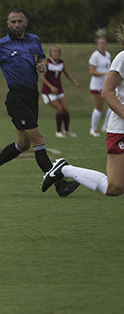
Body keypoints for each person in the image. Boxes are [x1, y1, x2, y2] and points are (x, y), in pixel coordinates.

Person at [0, 7, 78, 197]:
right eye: (12, 22)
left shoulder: (34, 41)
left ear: (26, 22)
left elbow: (41, 62)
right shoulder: (1, 45)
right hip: (16, 99)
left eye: (19, 21)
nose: (16, 25)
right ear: (8, 24)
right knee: (38, 139)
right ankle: (60, 185)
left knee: (23, 144)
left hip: (32, 96)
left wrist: (42, 65)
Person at [42, 23, 124, 196]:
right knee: (114, 187)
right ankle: (65, 169)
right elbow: (107, 92)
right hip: (121, 129)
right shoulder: (122, 58)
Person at [39, 44, 81, 138]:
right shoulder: (47, 62)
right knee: (60, 109)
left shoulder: (61, 62)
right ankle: (58, 131)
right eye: (54, 51)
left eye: (58, 51)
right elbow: (42, 77)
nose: (56, 53)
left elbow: (66, 73)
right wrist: (51, 87)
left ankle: (67, 130)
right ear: (50, 53)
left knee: (66, 110)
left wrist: (75, 83)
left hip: (59, 90)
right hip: (48, 91)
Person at [88, 35, 112, 137]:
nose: (102, 45)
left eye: (103, 43)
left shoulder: (108, 55)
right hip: (96, 85)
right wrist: (104, 73)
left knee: (112, 106)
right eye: (100, 43)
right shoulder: (95, 56)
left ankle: (106, 126)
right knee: (99, 107)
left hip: (106, 85)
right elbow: (92, 72)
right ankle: (93, 129)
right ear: (97, 45)